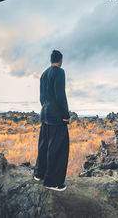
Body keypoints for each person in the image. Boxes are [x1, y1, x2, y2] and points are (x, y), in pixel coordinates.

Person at [33, 49, 70, 192]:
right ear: (60, 60)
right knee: (58, 148)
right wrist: (65, 114)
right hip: (56, 117)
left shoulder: (43, 74)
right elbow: (60, 94)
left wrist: (46, 108)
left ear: (51, 60)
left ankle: (38, 173)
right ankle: (52, 182)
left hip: (45, 114)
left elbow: (41, 98)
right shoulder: (59, 72)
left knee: (44, 145)